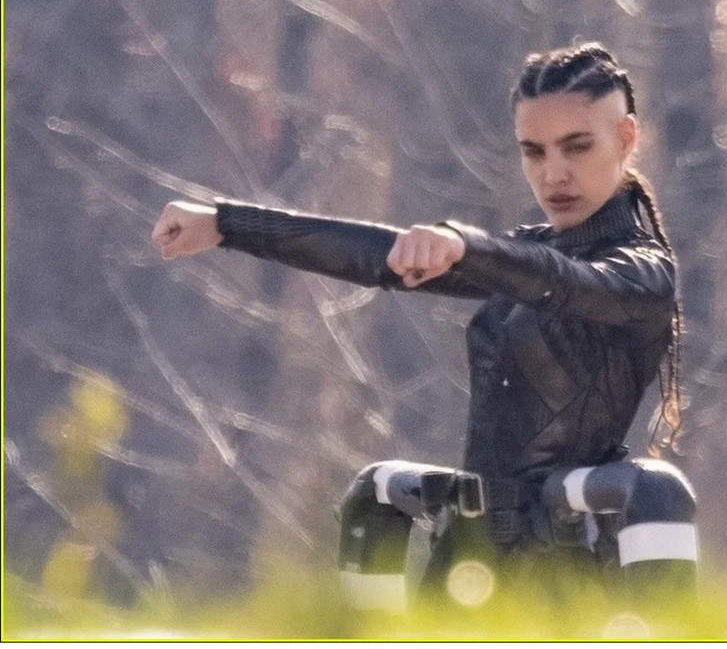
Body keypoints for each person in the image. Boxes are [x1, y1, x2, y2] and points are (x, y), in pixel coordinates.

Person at [152, 42, 697, 633]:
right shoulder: (528, 252)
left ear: (625, 138)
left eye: (577, 146)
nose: (553, 173)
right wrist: (225, 224)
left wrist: (467, 245)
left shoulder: (644, 272)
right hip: (469, 562)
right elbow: (378, 258)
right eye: (533, 151)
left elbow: (564, 283)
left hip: (564, 572)